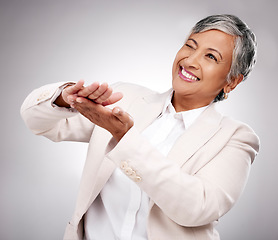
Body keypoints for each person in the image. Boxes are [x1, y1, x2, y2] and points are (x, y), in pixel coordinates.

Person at [21, 14, 259, 240]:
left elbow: (197, 208)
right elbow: (38, 123)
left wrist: (124, 137)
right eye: (190, 45)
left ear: (232, 81)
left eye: (211, 57)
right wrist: (65, 98)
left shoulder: (235, 137)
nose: (190, 60)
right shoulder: (126, 98)